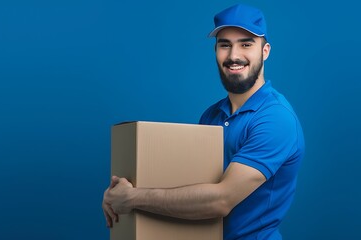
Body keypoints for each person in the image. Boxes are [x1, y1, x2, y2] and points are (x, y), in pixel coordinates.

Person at [102, 4, 305, 240]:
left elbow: (220, 200)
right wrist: (119, 191)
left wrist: (133, 198)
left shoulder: (275, 118)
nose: (233, 55)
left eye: (246, 44)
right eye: (224, 45)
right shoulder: (212, 115)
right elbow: (187, 187)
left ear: (265, 51)